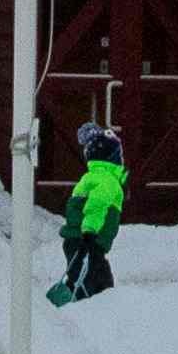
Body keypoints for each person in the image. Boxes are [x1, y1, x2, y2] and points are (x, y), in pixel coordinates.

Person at [55, 119, 132, 304]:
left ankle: (79, 301)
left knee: (91, 279)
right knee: (94, 285)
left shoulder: (92, 177)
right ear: (112, 157)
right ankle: (79, 312)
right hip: (88, 241)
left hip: (80, 242)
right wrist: (89, 232)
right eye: (119, 154)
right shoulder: (107, 180)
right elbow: (95, 206)